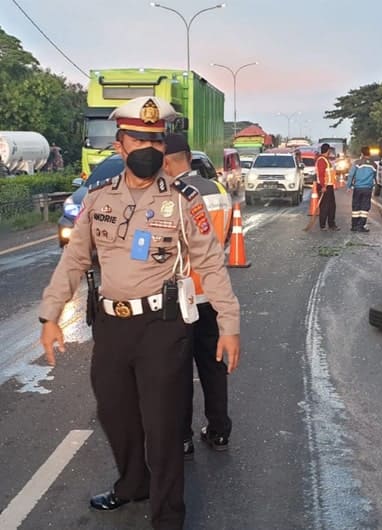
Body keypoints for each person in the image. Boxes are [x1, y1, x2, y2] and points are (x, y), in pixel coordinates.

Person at [38, 97, 241, 530]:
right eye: (139, 138)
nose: (149, 146)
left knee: (164, 425)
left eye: (156, 138)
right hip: (111, 326)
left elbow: (210, 264)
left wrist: (229, 325)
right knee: (115, 412)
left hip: (162, 328)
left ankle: (169, 515)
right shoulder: (97, 199)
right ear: (120, 146)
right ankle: (133, 484)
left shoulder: (185, 201)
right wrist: (50, 314)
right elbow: (74, 259)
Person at [162, 134, 234, 458]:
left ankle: (183, 439)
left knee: (176, 373)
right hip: (212, 295)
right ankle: (219, 431)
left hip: (179, 298)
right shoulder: (219, 191)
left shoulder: (172, 197)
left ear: (166, 162)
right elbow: (227, 236)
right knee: (213, 366)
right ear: (190, 159)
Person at [346, 146, 377, 232]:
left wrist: (349, 186)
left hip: (358, 188)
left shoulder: (357, 163)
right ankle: (361, 226)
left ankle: (354, 225)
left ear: (362, 153)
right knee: (365, 207)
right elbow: (375, 177)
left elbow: (351, 175)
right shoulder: (374, 164)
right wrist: (375, 186)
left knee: (356, 206)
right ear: (369, 154)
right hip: (368, 188)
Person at [314, 143, 339, 231]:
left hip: (329, 186)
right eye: (329, 151)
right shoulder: (321, 160)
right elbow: (321, 175)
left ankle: (331, 224)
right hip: (324, 186)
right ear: (327, 150)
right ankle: (323, 225)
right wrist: (323, 186)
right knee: (324, 206)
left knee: (331, 206)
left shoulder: (325, 160)